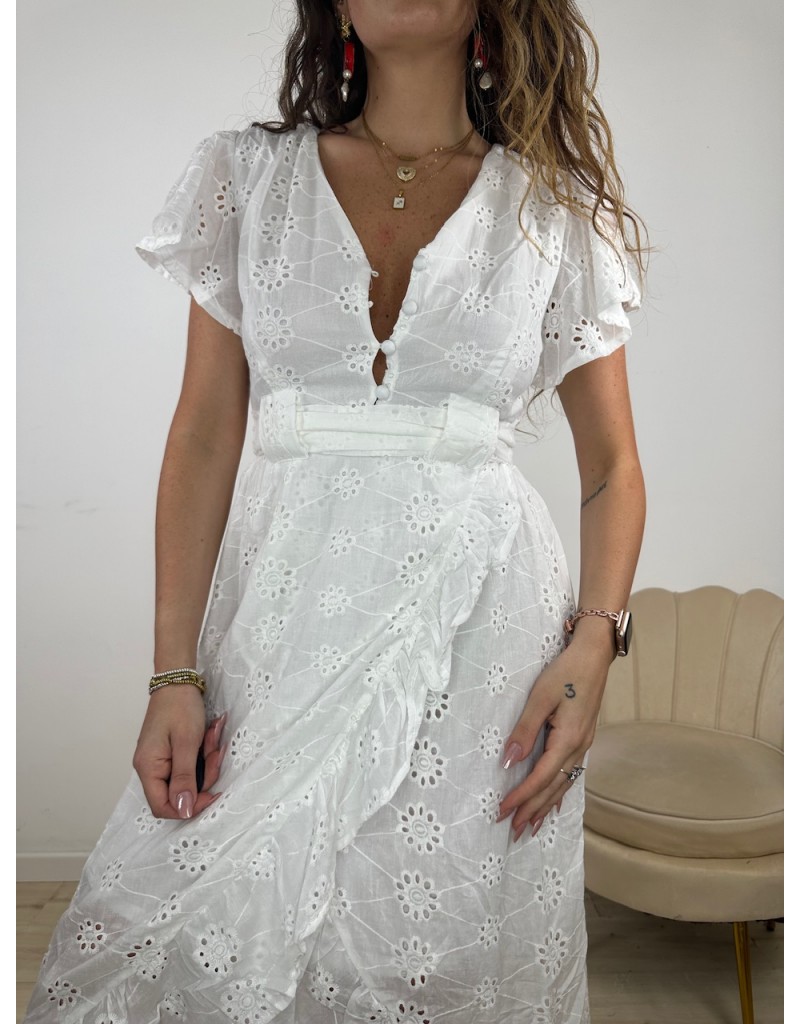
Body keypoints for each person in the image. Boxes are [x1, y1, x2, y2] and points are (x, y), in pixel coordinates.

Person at [24, 0, 647, 1020]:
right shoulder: (245, 179)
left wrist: (592, 647)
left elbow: (612, 464)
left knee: (436, 943)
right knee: (184, 921)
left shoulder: (551, 208)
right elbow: (203, 436)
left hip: (482, 638)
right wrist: (174, 671)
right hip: (279, 628)